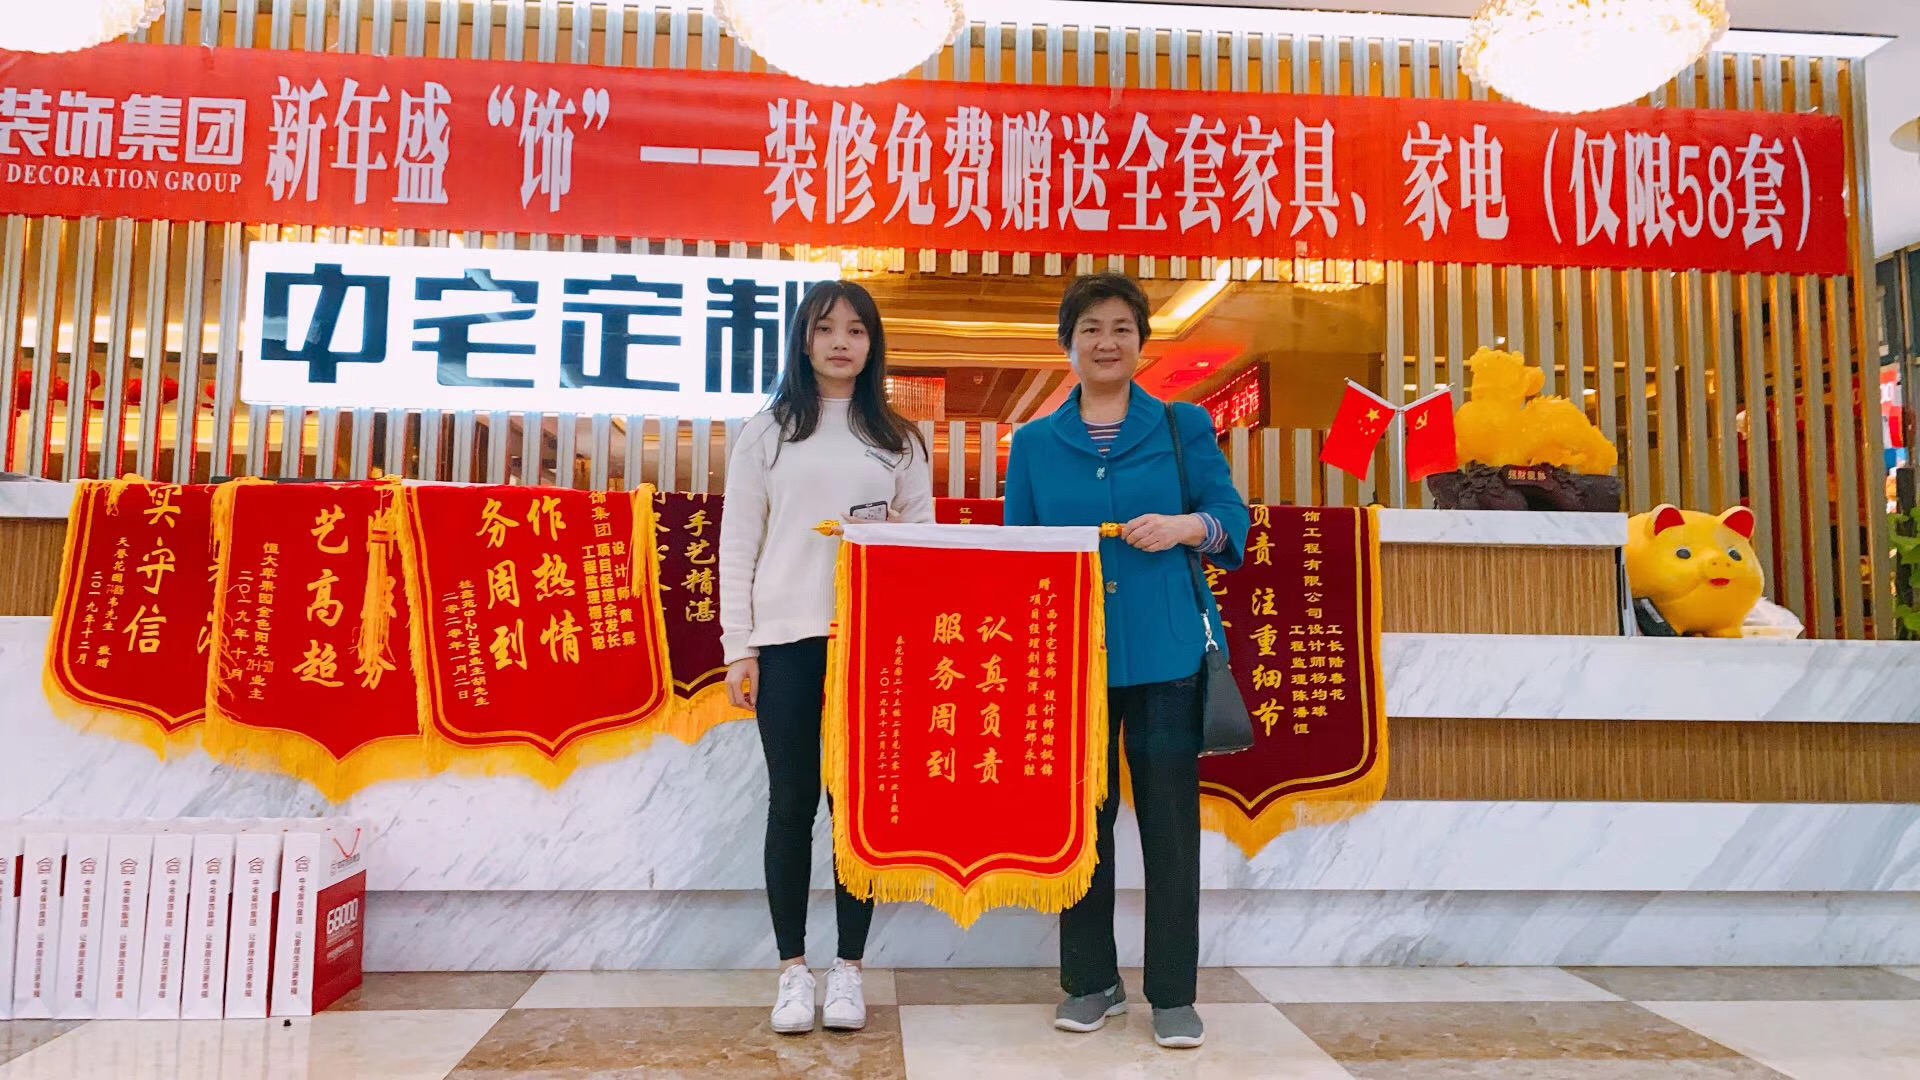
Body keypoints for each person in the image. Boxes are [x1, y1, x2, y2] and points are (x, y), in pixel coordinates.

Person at [1003, 272, 1250, 1050]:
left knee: (1171, 824)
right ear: (1068, 346)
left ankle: (1173, 994)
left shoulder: (1183, 425)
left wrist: (1183, 528)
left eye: (1121, 328)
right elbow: (1019, 552)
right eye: (1091, 329)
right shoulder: (1035, 445)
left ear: (1143, 343)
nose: (1106, 342)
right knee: (1083, 823)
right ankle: (1091, 982)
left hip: (1167, 649)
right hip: (1072, 655)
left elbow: (1230, 518)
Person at [719, 280, 934, 1035]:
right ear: (803, 340)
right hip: (784, 639)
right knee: (791, 802)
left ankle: (848, 969)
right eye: (825, 328)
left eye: (856, 330)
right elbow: (739, 542)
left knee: (855, 807)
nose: (841, 342)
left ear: (874, 344)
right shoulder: (768, 432)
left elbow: (924, 544)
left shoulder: (900, 439)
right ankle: (792, 971)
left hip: (869, 643)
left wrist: (889, 537)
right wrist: (739, 647)